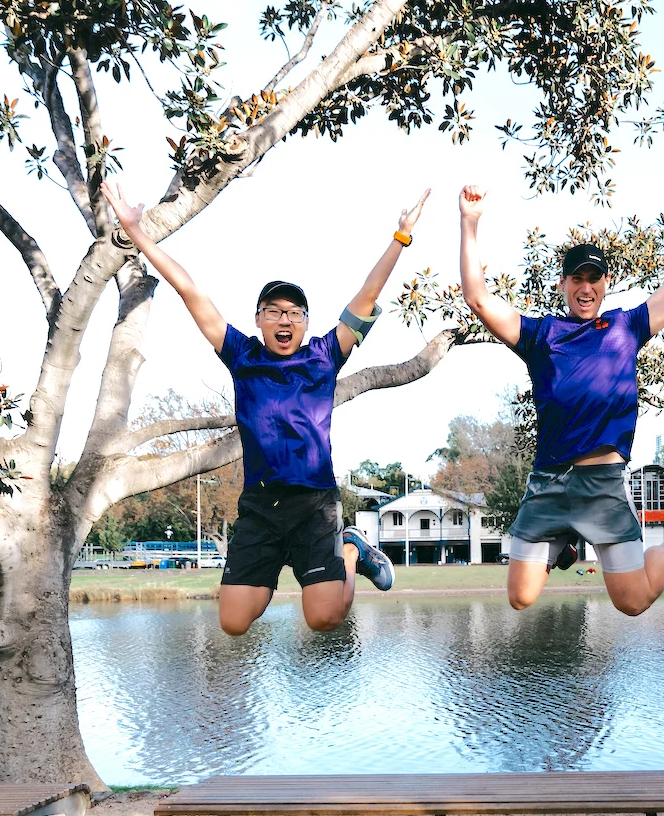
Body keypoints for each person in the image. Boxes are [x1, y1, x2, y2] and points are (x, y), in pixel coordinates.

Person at [101, 180, 427, 635]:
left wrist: (401, 237)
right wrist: (137, 233)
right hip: (261, 506)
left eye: (295, 313)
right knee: (233, 622)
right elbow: (189, 290)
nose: (285, 319)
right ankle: (278, 567)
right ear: (258, 319)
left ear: (306, 323)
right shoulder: (241, 354)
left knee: (324, 618)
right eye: (273, 311)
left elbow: (365, 298)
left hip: (314, 505)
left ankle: (351, 549)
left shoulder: (325, 355)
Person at [457, 182, 664, 615]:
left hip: (602, 485)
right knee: (520, 597)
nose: (586, 287)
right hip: (549, 482)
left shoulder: (626, 327)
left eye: (594, 278)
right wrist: (470, 223)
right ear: (563, 283)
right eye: (577, 278)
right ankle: (561, 543)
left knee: (633, 603)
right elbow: (478, 298)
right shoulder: (541, 336)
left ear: (606, 283)